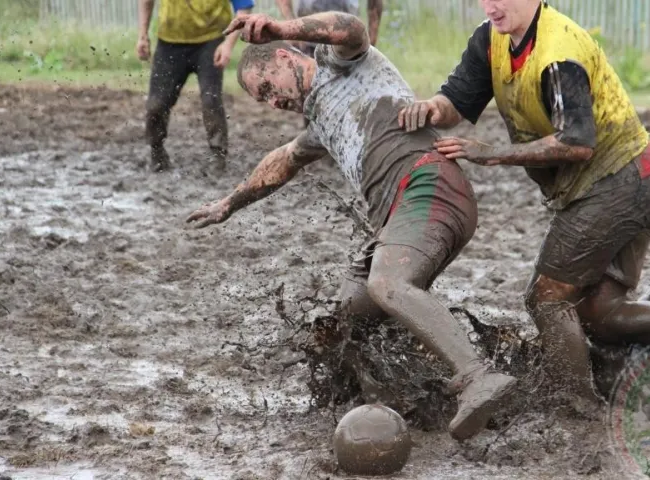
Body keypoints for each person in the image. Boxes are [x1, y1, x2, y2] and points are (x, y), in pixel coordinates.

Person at [398, 0, 650, 409]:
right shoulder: (491, 38)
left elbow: (576, 143)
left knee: (547, 297)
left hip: (621, 184)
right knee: (599, 309)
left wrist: (492, 154)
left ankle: (575, 405)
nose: (489, 5)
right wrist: (434, 107)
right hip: (634, 181)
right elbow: (457, 101)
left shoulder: (559, 53)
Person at [185, 11, 517, 441]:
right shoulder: (319, 122)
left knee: (387, 283)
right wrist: (230, 203)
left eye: (268, 88)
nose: (272, 102)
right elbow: (283, 160)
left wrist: (285, 25)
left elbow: (352, 27)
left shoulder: (337, 60)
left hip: (428, 183)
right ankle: (409, 400)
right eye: (261, 99)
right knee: (341, 327)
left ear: (286, 57)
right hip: (399, 214)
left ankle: (477, 377)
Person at [136, 0, 254, 173]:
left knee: (210, 99)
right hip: (169, 42)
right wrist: (143, 35)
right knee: (156, 104)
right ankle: (157, 151)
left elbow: (244, 7)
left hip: (210, 41)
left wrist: (228, 44)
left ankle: (218, 155)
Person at [275, 0, 383, 56]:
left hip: (347, 39)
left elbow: (375, 3)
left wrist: (372, 39)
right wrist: (291, 26)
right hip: (307, 39)